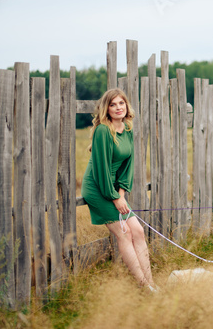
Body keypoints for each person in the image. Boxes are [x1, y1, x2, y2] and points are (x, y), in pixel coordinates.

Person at [81, 88, 157, 292]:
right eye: (112, 104)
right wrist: (114, 197)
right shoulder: (103, 131)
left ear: (126, 106)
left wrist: (121, 193)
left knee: (138, 231)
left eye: (121, 103)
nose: (117, 108)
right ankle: (144, 288)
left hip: (114, 189)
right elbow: (101, 169)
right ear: (106, 109)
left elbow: (127, 166)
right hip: (99, 187)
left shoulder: (127, 129)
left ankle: (151, 283)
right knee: (124, 234)